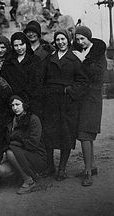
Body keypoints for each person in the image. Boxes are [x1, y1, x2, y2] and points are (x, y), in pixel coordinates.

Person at [42, 30, 89, 181]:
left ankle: (61, 169)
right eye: (58, 40)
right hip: (51, 103)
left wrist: (69, 90)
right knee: (48, 134)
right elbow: (43, 78)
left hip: (67, 103)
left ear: (68, 41)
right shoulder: (50, 59)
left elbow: (83, 82)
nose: (61, 42)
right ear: (54, 42)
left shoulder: (74, 59)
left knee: (66, 135)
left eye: (63, 39)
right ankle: (50, 167)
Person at [73, 26, 107, 187]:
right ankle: (91, 166)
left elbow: (97, 74)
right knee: (85, 134)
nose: (80, 42)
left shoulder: (98, 54)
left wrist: (82, 60)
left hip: (92, 98)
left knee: (85, 134)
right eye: (77, 39)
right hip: (81, 98)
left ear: (89, 38)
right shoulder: (80, 50)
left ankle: (87, 173)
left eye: (83, 39)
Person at [0, 95, 47, 194]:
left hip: (36, 156)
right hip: (18, 155)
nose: (15, 108)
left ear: (24, 105)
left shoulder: (33, 119)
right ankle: (21, 175)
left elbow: (33, 144)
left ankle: (29, 180)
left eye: (17, 104)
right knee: (2, 170)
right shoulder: (12, 121)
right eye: (12, 105)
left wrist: (14, 143)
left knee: (10, 152)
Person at [0, 32, 43, 118]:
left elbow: (37, 81)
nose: (19, 48)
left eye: (21, 44)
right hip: (13, 102)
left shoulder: (35, 60)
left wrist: (24, 97)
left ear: (26, 44)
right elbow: (4, 81)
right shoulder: (8, 61)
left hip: (30, 101)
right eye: (16, 45)